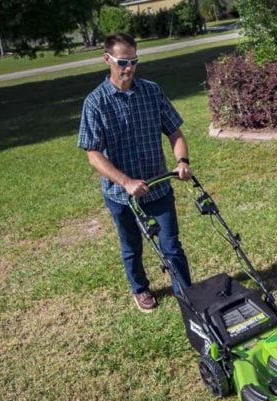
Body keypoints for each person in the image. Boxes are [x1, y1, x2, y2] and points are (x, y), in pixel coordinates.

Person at [78, 32, 192, 313]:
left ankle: (187, 295)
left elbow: (174, 132)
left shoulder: (152, 91)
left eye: (134, 62)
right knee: (131, 246)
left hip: (158, 187)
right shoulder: (95, 102)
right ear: (107, 59)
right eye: (122, 62)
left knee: (171, 245)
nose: (128, 68)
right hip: (121, 195)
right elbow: (93, 154)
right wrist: (126, 182)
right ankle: (140, 289)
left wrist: (182, 161)